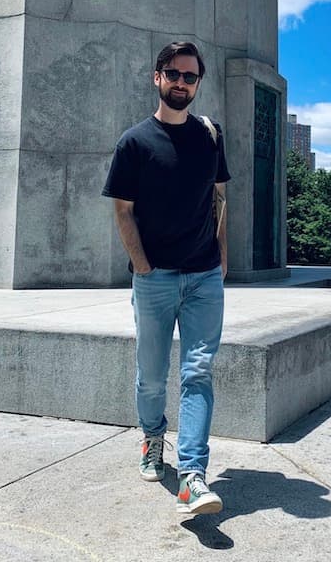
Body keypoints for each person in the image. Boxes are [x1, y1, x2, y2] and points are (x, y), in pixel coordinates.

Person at [102, 42, 230, 515]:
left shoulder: (211, 136)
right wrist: (141, 265)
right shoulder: (134, 142)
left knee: (198, 372)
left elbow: (220, 199)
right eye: (173, 74)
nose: (182, 83)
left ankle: (193, 475)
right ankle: (152, 438)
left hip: (203, 277)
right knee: (152, 378)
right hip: (154, 279)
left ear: (198, 83)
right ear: (157, 77)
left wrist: (222, 258)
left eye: (190, 77)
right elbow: (122, 209)